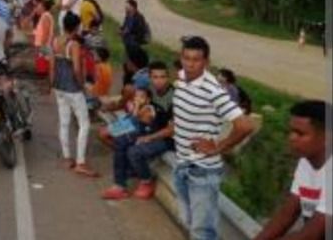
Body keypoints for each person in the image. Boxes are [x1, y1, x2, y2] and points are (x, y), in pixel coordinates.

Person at [172, 36, 254, 240]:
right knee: (189, 222)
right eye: (186, 58)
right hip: (182, 163)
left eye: (196, 59)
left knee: (203, 232)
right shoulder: (181, 77)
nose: (190, 64)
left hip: (203, 171)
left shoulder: (214, 91)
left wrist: (218, 147)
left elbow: (245, 125)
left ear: (206, 62)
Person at [254, 100, 331, 240]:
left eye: (300, 134)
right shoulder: (306, 161)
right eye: (291, 131)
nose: (291, 138)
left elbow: (312, 233)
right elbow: (287, 215)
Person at [105, 61, 175, 200]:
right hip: (141, 125)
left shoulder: (174, 97)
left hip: (164, 137)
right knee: (107, 133)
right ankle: (127, 174)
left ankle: (138, 182)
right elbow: (135, 106)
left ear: (168, 77)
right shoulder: (149, 90)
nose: (159, 81)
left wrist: (149, 137)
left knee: (131, 148)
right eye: (155, 77)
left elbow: (172, 130)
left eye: (162, 77)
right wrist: (124, 120)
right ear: (150, 77)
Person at [49, 12, 97, 177]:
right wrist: (82, 84)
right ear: (76, 27)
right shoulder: (74, 44)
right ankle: (81, 162)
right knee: (84, 123)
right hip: (72, 88)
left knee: (64, 122)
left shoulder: (56, 40)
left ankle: (67, 158)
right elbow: (76, 68)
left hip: (59, 87)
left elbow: (52, 66)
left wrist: (51, 85)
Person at [32, 0, 55, 78]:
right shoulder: (44, 16)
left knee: (44, 63)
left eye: (38, 7)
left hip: (44, 44)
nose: (37, 8)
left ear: (43, 8)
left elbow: (46, 32)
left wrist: (42, 46)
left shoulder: (45, 16)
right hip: (43, 44)